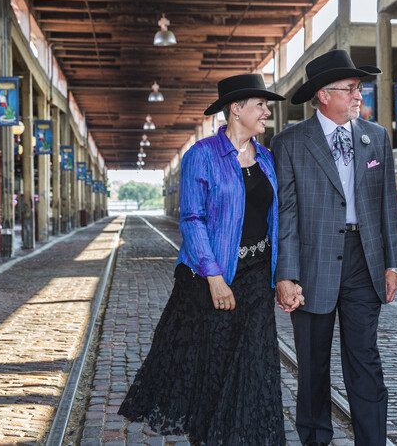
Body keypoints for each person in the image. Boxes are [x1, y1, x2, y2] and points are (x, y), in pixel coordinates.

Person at [118, 74, 297, 445]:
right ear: (236, 109)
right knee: (211, 370)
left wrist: (284, 275)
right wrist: (214, 277)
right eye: (260, 105)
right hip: (209, 279)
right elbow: (192, 219)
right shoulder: (202, 155)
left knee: (255, 370)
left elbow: (276, 220)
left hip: (256, 278)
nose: (267, 111)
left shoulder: (266, 158)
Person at [271, 49, 397, 446]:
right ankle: (315, 440)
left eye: (359, 87)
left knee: (365, 360)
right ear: (324, 95)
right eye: (350, 88)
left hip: (365, 262)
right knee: (312, 366)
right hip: (312, 268)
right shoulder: (290, 143)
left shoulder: (376, 137)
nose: (358, 94)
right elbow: (286, 216)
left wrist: (393, 264)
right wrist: (286, 275)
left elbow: (387, 205)